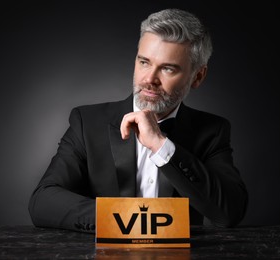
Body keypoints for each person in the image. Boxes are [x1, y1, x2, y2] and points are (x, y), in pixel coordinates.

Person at [28, 8, 248, 233]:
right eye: (144, 62)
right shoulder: (87, 122)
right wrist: (129, 221)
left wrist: (162, 146)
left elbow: (229, 213)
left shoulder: (212, 131)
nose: (150, 79)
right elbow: (43, 201)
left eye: (168, 69)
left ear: (198, 76)